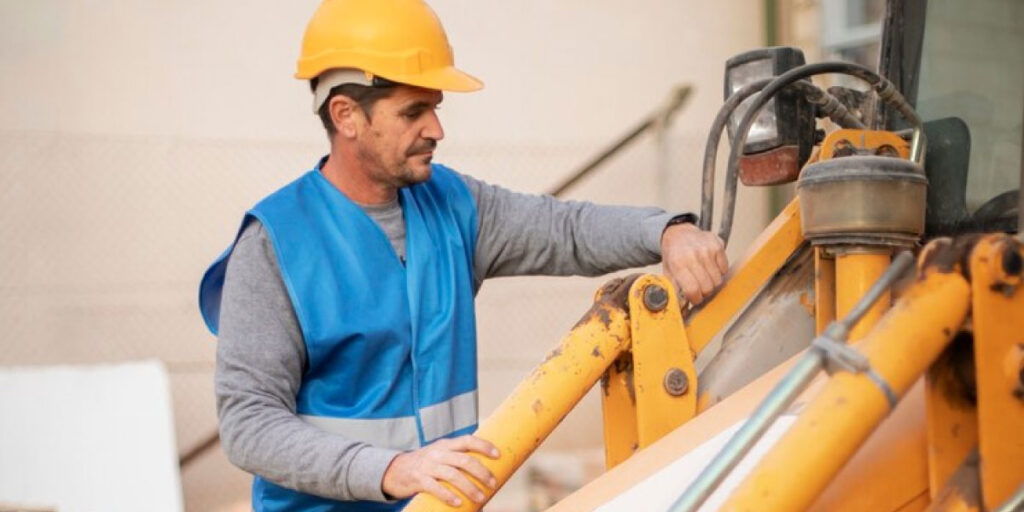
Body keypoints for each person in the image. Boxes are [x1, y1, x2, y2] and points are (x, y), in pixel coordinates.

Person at [198, 0, 728, 510]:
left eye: (434, 108)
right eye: (414, 112)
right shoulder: (274, 243)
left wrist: (666, 232)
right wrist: (388, 469)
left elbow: (562, 229)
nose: (437, 130)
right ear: (346, 115)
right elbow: (249, 424)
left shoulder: (452, 205)